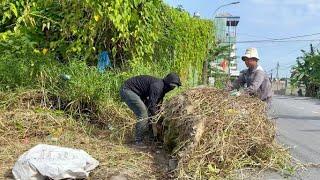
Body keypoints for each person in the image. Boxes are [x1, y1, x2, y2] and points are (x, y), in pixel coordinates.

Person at [120, 73, 181, 146]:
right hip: (128, 90)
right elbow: (152, 106)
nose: (173, 88)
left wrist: (158, 114)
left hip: (138, 93)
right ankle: (138, 140)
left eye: (175, 86)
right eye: (172, 86)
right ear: (168, 83)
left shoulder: (162, 89)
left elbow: (157, 104)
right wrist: (157, 119)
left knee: (150, 113)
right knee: (143, 114)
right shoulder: (157, 86)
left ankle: (151, 137)